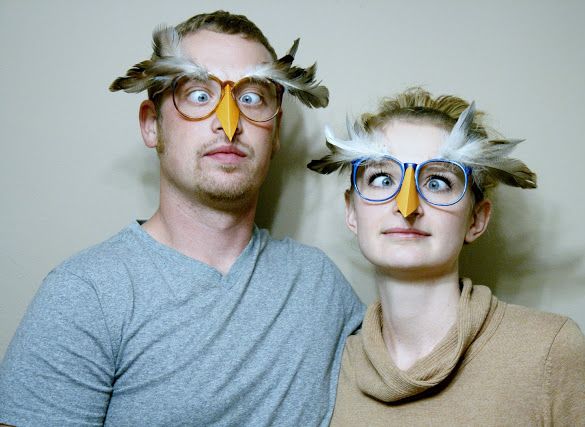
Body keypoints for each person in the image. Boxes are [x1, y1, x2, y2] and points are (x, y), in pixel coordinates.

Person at [0, 11, 364, 426]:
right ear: (152, 125)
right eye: (198, 95)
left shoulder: (318, 283)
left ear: (275, 132)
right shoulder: (86, 295)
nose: (229, 125)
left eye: (251, 98)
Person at [308, 88, 585, 425]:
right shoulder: (326, 369)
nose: (406, 206)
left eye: (438, 182)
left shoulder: (551, 352)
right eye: (383, 179)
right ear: (351, 211)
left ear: (477, 219)